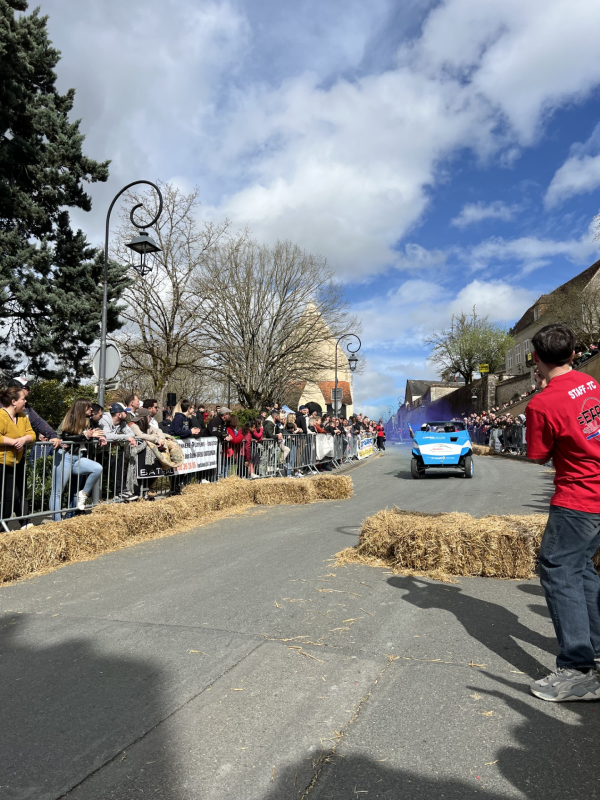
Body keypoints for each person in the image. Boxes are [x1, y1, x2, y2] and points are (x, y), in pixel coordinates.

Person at [526, 323, 600, 702]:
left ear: (536, 358)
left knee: (557, 571)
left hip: (579, 496)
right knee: (583, 567)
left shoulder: (541, 403)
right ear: (574, 354)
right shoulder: (593, 384)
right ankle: (596, 651)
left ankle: (578, 669)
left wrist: (541, 399)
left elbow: (538, 456)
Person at [52, 398, 106, 520]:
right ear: (82, 408)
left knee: (97, 468)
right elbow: (66, 436)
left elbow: (92, 434)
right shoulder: (71, 417)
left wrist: (100, 438)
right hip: (64, 455)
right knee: (57, 492)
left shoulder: (88, 420)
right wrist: (85, 436)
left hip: (78, 456)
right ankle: (57, 523)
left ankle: (83, 494)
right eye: (89, 407)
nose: (92, 409)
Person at [0, 386, 36, 529]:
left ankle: (4, 527)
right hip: (1, 461)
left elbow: (32, 434)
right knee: (7, 496)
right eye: (23, 399)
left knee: (12, 496)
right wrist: (13, 442)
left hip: (17, 462)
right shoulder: (1, 416)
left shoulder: (22, 417)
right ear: (14, 401)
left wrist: (23, 439)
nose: (25, 401)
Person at [98, 402, 137, 500]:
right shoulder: (104, 420)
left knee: (116, 464)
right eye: (125, 412)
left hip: (103, 452)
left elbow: (131, 434)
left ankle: (121, 491)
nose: (127, 414)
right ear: (119, 414)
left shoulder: (122, 423)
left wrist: (119, 438)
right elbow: (107, 435)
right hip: (92, 452)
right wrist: (124, 438)